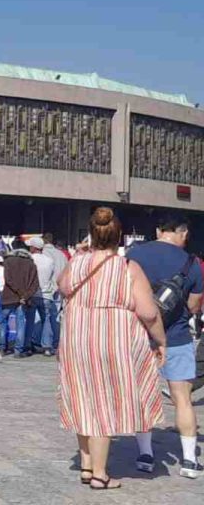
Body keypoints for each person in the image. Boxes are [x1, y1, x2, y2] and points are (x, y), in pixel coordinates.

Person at [57, 207, 167, 490]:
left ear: (91, 235)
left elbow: (63, 286)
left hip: (76, 337)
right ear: (120, 237)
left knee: (81, 395)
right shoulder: (127, 267)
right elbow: (148, 312)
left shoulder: (78, 263)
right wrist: (161, 340)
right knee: (104, 401)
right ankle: (99, 474)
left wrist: (81, 252)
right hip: (111, 338)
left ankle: (86, 464)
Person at [127, 212, 203, 478]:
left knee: (143, 396)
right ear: (182, 233)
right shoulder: (192, 262)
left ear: (159, 230)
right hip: (178, 337)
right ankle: (189, 459)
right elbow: (194, 305)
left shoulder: (135, 256)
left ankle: (146, 455)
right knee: (182, 398)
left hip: (141, 336)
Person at [0, 240, 39, 357]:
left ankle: (2, 347)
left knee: (3, 322)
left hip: (8, 297)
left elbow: (8, 280)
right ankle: (18, 350)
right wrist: (24, 296)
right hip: (23, 300)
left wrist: (20, 293)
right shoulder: (31, 264)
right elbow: (35, 285)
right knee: (20, 324)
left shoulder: (8, 261)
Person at [26, 237, 58, 356]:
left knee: (30, 320)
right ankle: (47, 347)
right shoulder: (49, 260)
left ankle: (28, 345)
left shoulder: (30, 260)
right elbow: (52, 278)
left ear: (33, 248)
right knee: (47, 320)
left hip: (33, 294)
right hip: (46, 294)